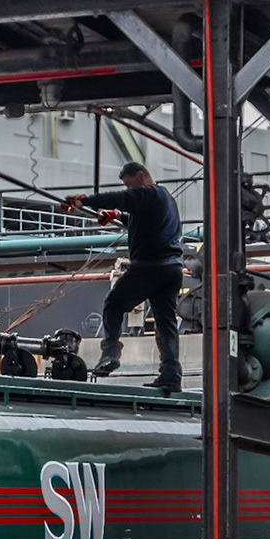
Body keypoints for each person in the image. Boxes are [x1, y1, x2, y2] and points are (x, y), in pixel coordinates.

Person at [62, 161, 184, 391]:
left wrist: (84, 201)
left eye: (130, 185)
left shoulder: (149, 194)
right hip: (172, 269)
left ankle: (110, 353)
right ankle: (171, 375)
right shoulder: (164, 199)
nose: (129, 190)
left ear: (140, 176)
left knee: (114, 304)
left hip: (150, 267)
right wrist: (117, 216)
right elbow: (141, 221)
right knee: (166, 323)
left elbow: (122, 198)